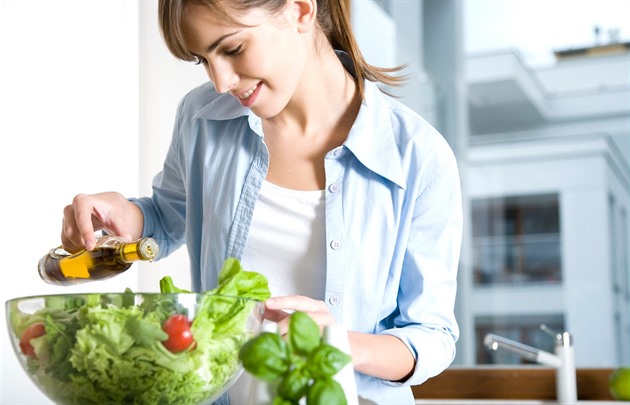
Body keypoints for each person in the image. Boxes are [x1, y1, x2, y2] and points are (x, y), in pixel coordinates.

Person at [60, 0, 463, 403]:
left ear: (301, 10)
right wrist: (124, 215)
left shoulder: (417, 157)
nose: (220, 81)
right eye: (203, 60)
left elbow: (431, 336)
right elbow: (166, 218)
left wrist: (340, 343)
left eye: (232, 49)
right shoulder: (201, 118)